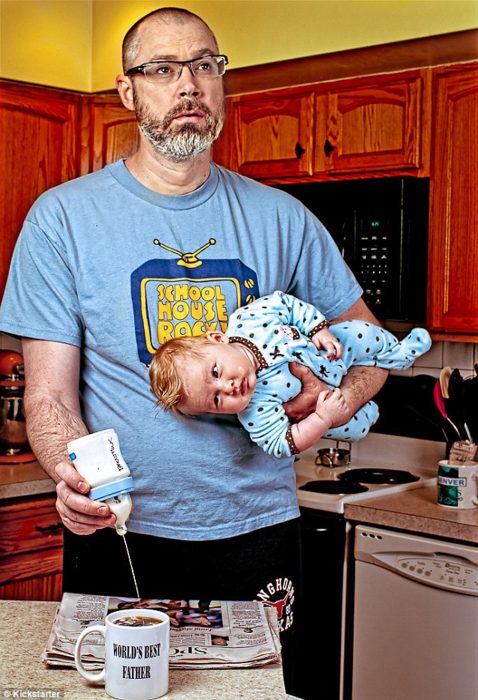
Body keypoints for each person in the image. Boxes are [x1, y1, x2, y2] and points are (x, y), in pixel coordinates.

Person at [0, 7, 388, 696]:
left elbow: (374, 350)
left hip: (258, 531)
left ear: (221, 83)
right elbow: (50, 395)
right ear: (128, 91)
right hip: (121, 532)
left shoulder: (282, 218)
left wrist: (333, 404)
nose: (189, 84)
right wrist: (71, 475)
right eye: (164, 68)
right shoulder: (62, 219)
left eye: (206, 65)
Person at [150, 290, 431, 456]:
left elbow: (284, 304)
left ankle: (398, 354)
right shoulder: (256, 409)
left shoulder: (249, 321)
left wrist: (317, 328)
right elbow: (281, 443)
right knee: (353, 427)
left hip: (331, 349)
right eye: (216, 400)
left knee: (362, 334)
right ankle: (367, 414)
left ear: (217, 338)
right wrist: (322, 419)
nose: (228, 387)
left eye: (216, 372)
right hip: (329, 402)